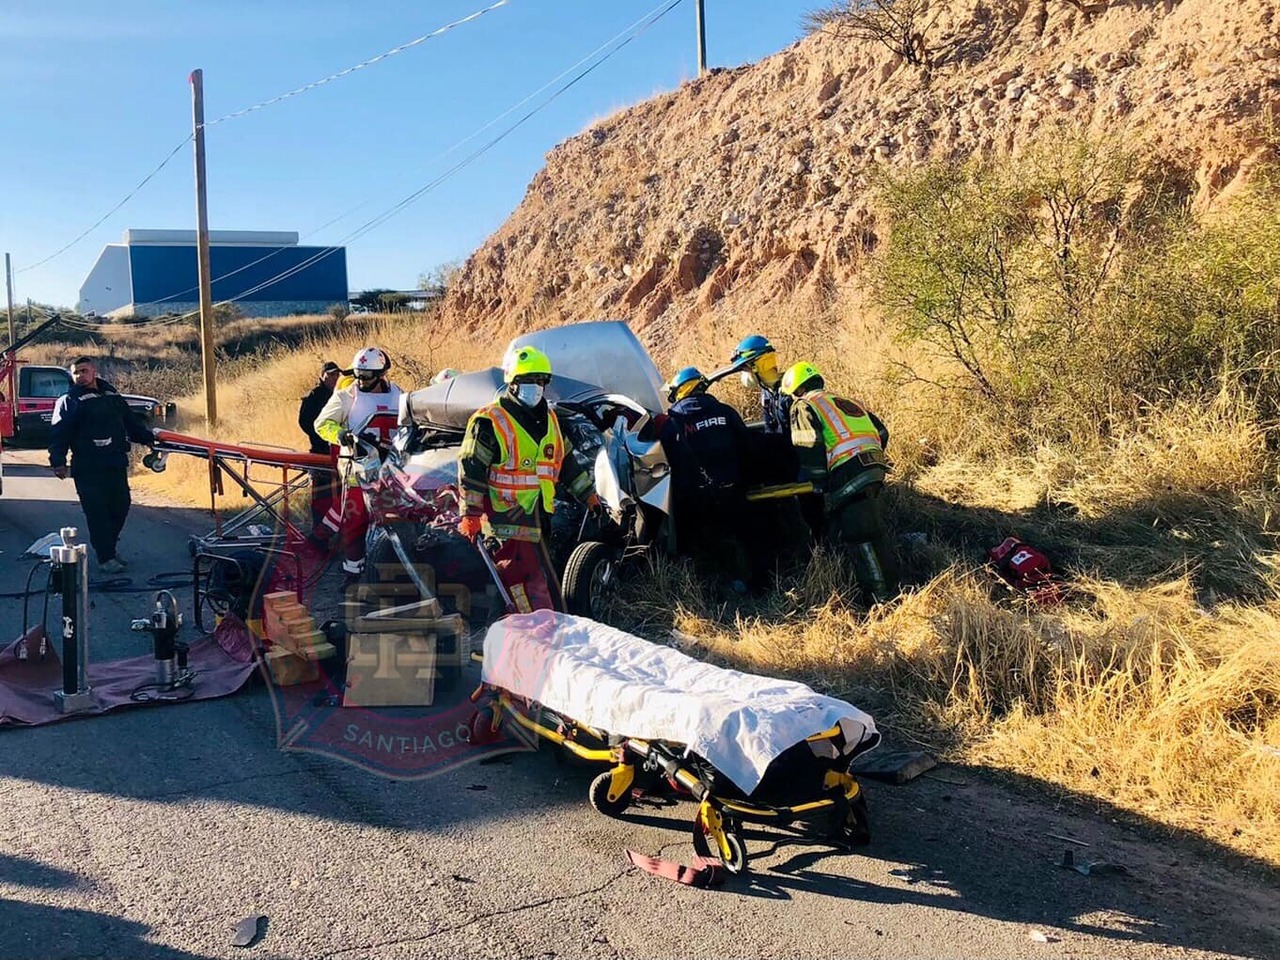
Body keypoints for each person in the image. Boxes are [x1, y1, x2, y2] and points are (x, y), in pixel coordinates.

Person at [457, 345, 600, 613]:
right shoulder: (490, 421)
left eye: (540, 381)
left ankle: (537, 625)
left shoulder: (550, 419)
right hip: (505, 521)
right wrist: (470, 513)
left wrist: (588, 495)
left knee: (539, 582)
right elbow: (471, 469)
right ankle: (533, 628)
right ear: (512, 382)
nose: (535, 387)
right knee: (522, 585)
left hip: (539, 519)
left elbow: (566, 463)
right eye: (528, 381)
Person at [780, 361, 895, 603]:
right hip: (874, 467)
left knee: (860, 536)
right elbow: (882, 432)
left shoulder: (804, 404)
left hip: (848, 471)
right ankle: (893, 587)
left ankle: (881, 599)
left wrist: (818, 482)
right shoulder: (843, 400)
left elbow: (808, 444)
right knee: (873, 531)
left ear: (797, 389)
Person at [47, 356, 157, 573]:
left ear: (94, 371)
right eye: (76, 372)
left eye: (84, 371)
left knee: (121, 506)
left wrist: (148, 438)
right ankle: (105, 557)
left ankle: (109, 549)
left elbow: (130, 422)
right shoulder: (69, 400)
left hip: (115, 463)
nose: (80, 376)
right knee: (97, 513)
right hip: (87, 466)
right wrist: (58, 461)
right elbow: (59, 433)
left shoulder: (111, 395)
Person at [659, 366, 755, 591]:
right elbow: (748, 447)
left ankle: (713, 590)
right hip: (733, 489)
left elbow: (665, 461)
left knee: (705, 544)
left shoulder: (671, 423)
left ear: (679, 391)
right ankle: (751, 585)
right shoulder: (726, 412)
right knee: (742, 537)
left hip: (694, 497)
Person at [312, 347, 402, 579]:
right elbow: (321, 424)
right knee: (354, 523)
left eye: (367, 376)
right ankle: (353, 574)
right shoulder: (346, 397)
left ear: (381, 374)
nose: (361, 380)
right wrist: (340, 435)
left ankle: (392, 572)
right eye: (357, 374)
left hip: (391, 473)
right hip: (356, 473)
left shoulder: (399, 396)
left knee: (396, 521)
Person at [298, 361, 341, 525]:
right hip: (320, 451)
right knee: (321, 494)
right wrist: (320, 437)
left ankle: (338, 528)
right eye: (330, 374)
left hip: (341, 453)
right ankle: (319, 528)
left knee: (341, 494)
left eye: (336, 374)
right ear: (322, 376)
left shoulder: (342, 395)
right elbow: (304, 421)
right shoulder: (314, 396)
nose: (334, 378)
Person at [730, 334, 789, 435]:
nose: (744, 374)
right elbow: (770, 430)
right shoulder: (767, 392)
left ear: (757, 366)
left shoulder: (790, 389)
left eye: (745, 369)